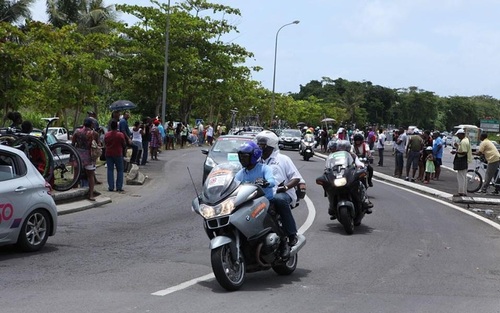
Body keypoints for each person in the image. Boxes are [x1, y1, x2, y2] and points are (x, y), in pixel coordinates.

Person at [255, 130, 302, 247]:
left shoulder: (283, 159)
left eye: (262, 144)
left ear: (270, 146)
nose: (259, 147)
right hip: (262, 195)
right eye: (259, 144)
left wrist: (285, 187)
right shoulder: (256, 161)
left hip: (283, 193)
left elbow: (296, 178)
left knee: (279, 199)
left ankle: (292, 234)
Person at [72, 117, 100, 201]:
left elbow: (73, 143)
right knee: (90, 176)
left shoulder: (77, 132)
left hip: (78, 155)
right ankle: (91, 195)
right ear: (91, 124)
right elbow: (97, 144)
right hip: (89, 155)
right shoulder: (94, 133)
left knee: (76, 175)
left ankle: (74, 193)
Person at [104, 120, 126, 192]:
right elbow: (124, 144)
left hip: (109, 153)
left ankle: (111, 187)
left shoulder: (107, 135)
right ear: (117, 126)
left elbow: (105, 143)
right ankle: (119, 187)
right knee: (120, 170)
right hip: (118, 153)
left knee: (110, 170)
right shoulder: (120, 135)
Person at [451, 128, 472, 196]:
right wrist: (457, 147)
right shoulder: (465, 140)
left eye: (458, 135)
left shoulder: (463, 141)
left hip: (462, 159)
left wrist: (455, 151)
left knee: (461, 176)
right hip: (465, 160)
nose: (457, 136)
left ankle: (461, 192)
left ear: (461, 134)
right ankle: (464, 191)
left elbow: (464, 152)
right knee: (463, 176)